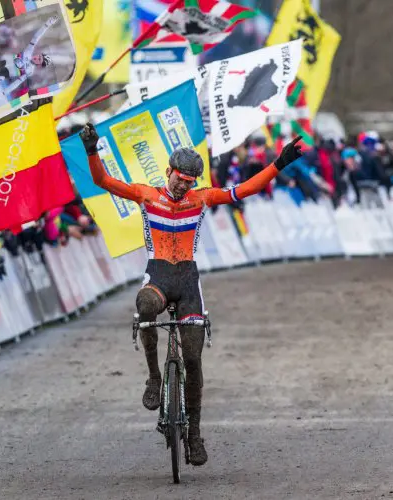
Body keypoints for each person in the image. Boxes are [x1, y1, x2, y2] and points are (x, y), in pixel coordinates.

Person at [79, 123, 303, 466]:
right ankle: (154, 378)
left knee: (194, 359)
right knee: (145, 306)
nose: (184, 185)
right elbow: (102, 182)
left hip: (187, 281)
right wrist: (92, 151)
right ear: (168, 171)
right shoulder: (146, 195)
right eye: (179, 178)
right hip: (158, 276)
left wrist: (279, 163)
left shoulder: (201, 198)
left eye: (189, 180)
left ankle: (195, 435)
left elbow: (244, 190)